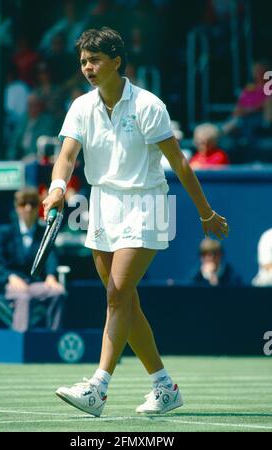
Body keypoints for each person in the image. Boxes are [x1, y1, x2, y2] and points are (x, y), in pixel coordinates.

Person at [43, 27, 229, 417]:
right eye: (83, 62)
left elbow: (179, 162)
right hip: (102, 204)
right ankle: (164, 387)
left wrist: (205, 213)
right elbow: (66, 156)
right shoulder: (80, 106)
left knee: (116, 295)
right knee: (126, 301)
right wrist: (58, 187)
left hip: (147, 204)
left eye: (94, 60)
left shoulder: (148, 105)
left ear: (116, 61)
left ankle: (98, 387)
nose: (88, 68)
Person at [0, 188, 66, 332]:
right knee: (23, 296)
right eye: (23, 204)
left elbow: (50, 257)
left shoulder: (44, 232)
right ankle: (20, 342)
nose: (28, 208)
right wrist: (10, 277)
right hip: (10, 285)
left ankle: (53, 340)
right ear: (16, 207)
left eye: (33, 204)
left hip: (36, 284)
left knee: (58, 293)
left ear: (38, 207)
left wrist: (51, 276)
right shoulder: (4, 232)